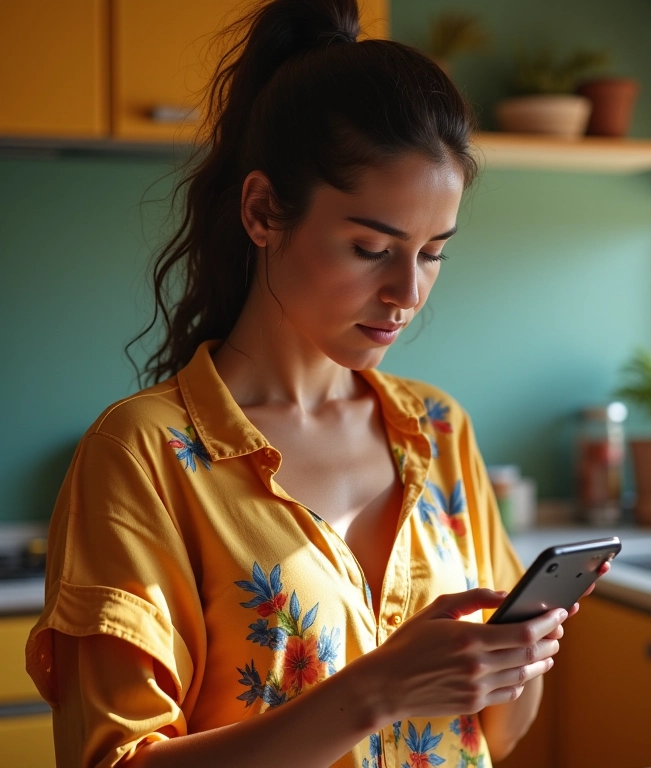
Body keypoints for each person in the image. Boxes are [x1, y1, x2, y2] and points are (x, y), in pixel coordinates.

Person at [26, 1, 606, 766]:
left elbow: (492, 734)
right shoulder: (143, 456)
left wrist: (519, 658)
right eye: (372, 247)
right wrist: (377, 692)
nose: (408, 291)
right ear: (264, 211)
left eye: (433, 252)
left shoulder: (438, 428)